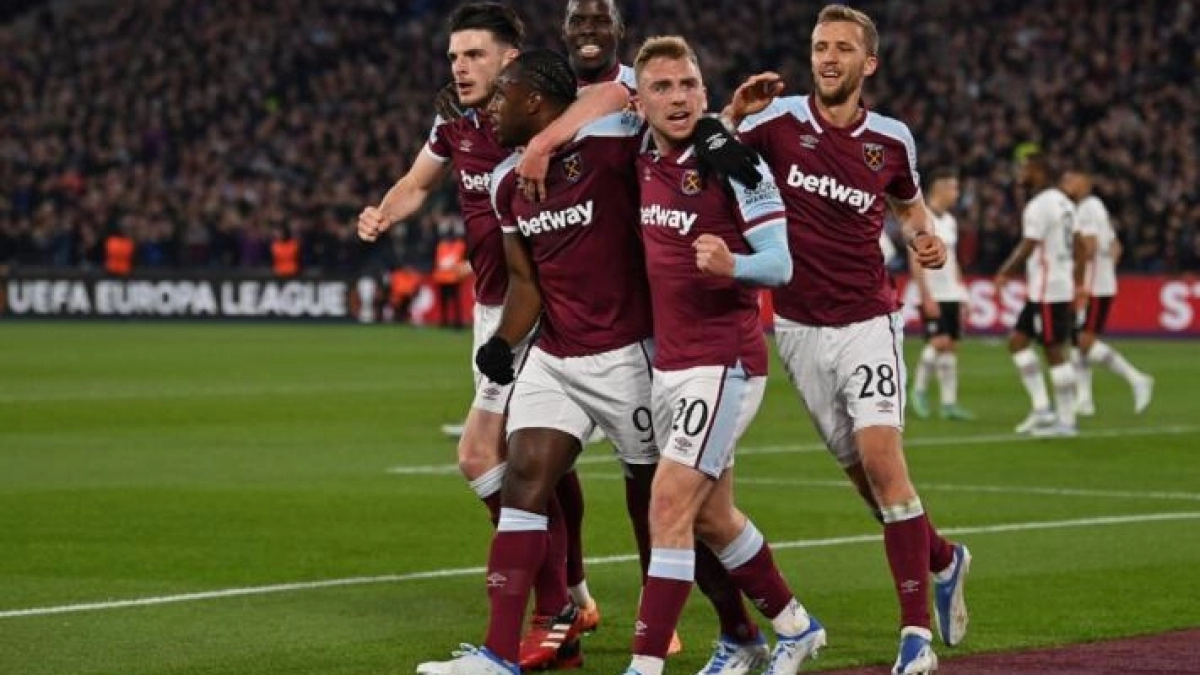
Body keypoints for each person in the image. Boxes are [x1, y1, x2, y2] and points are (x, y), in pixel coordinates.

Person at [356, 4, 627, 671]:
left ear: (511, 59)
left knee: (484, 456)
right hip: (494, 309)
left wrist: (542, 140)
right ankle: (573, 597)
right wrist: (386, 210)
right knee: (540, 464)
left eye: (473, 54)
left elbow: (618, 92)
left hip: (543, 308)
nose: (459, 67)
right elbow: (419, 182)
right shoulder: (454, 123)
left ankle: (555, 604)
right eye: (453, 57)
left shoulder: (541, 106)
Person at [721, 6, 972, 674]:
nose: (827, 57)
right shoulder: (777, 124)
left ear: (869, 63)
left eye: (841, 48)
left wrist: (924, 232)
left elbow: (908, 202)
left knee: (883, 458)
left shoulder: (891, 140)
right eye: (819, 46)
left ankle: (915, 637)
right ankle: (943, 558)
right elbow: (707, 168)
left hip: (868, 319)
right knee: (866, 481)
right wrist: (730, 115)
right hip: (799, 327)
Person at [434, 48, 656, 675]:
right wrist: (503, 342)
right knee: (526, 480)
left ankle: (736, 626)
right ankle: (499, 653)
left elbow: (622, 95)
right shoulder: (506, 184)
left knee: (666, 501)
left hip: (628, 354)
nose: (493, 107)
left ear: (534, 101)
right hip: (557, 354)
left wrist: (549, 142)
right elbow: (525, 283)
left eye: (503, 94)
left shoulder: (612, 149)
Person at [624, 36, 826, 675]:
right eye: (662, 87)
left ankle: (646, 665)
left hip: (725, 359)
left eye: (688, 85)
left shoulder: (737, 165)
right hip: (673, 362)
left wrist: (731, 263)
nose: (678, 97)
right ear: (640, 102)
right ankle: (795, 627)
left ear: (703, 92)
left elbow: (782, 262)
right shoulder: (642, 156)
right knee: (712, 516)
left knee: (668, 504)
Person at [993, 152, 1085, 437]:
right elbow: (1081, 246)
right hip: (1048, 288)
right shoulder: (1065, 202)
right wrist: (1078, 282)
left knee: (1054, 350)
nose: (1021, 172)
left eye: (1026, 168)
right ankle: (1043, 408)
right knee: (1018, 342)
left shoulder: (1040, 205)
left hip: (1049, 290)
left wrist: (1005, 272)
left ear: (1041, 172)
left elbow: (1028, 244)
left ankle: (1067, 421)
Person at [1059, 168, 1154, 415]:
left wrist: (1067, 257)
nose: (1067, 182)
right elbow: (1116, 246)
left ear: (1086, 182)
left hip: (1093, 285)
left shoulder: (1087, 208)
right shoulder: (1094, 207)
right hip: (1098, 281)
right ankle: (1085, 401)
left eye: (1072, 178)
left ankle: (1137, 378)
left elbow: (1088, 248)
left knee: (1084, 341)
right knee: (1076, 341)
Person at [908, 169, 974, 421]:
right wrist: (925, 296)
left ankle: (948, 404)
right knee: (939, 342)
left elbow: (953, 258)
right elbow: (915, 259)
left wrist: (962, 290)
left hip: (951, 292)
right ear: (940, 189)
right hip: (933, 292)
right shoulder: (922, 218)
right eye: (954, 188)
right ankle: (919, 391)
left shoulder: (950, 221)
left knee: (952, 346)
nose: (957, 194)